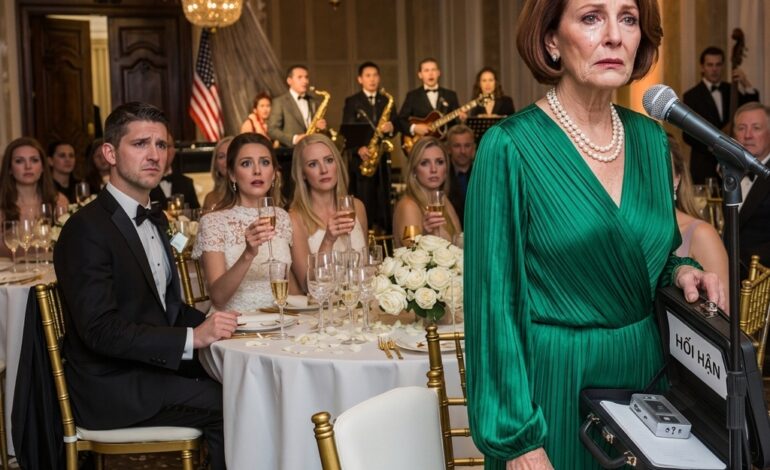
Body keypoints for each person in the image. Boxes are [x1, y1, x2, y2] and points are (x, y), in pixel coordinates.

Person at [464, 1, 725, 469]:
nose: (614, 36)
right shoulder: (509, 147)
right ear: (550, 39)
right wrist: (518, 442)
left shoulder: (650, 141)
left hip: (645, 383)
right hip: (555, 386)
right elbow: (493, 306)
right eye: (591, 17)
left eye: (628, 19)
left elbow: (647, 258)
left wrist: (682, 272)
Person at [53, 102, 238, 470]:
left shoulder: (155, 216)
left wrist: (224, 323)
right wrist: (193, 338)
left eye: (161, 144)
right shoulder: (86, 230)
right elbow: (100, 330)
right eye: (140, 144)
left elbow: (166, 309)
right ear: (110, 153)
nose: (154, 155)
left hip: (150, 370)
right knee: (232, 403)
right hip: (111, 388)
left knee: (246, 383)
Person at [193, 132, 293, 312]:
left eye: (265, 162)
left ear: (273, 173)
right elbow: (218, 298)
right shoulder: (213, 222)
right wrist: (248, 254)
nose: (257, 171)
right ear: (232, 174)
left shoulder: (283, 217)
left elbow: (290, 288)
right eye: (246, 163)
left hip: (279, 320)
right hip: (235, 323)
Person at [288, 134, 368, 292]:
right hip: (324, 306)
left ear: (337, 164)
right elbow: (307, 285)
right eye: (313, 164)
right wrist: (328, 240)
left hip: (359, 301)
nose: (324, 170)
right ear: (302, 173)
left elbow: (365, 269)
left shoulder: (357, 207)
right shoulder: (295, 218)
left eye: (329, 160)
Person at [683, 46, 760, 184]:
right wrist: (713, 145)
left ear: (723, 66)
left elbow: (753, 110)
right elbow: (687, 135)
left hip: (734, 164)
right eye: (710, 65)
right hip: (704, 165)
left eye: (718, 65)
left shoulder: (732, 90)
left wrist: (746, 83)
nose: (714, 69)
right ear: (702, 67)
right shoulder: (691, 96)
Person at [341, 61, 399, 233]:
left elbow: (396, 125)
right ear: (360, 79)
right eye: (368, 75)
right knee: (364, 201)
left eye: (375, 75)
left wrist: (391, 127)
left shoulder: (386, 100)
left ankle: (384, 234)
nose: (372, 79)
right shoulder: (352, 101)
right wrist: (358, 148)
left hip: (381, 160)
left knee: (383, 202)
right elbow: (346, 130)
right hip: (361, 161)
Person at [670, 135, 729, 301]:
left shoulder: (701, 234)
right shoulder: (621, 230)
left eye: (660, 169)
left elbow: (724, 312)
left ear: (677, 178)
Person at [392, 136, 460, 248]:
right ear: (414, 170)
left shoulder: (443, 200)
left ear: (446, 168)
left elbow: (459, 244)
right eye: (424, 163)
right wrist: (425, 233)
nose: (433, 169)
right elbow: (410, 252)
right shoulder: (408, 206)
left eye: (439, 162)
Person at [732, 102, 770, 275]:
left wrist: (741, 262)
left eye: (756, 128)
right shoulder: (731, 171)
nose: (747, 135)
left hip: (760, 280)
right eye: (741, 128)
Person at [397, 58, 461, 139]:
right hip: (421, 142)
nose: (430, 74)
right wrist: (414, 128)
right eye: (426, 70)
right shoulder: (412, 96)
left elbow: (456, 123)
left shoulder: (450, 95)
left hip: (445, 142)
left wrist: (461, 119)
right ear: (420, 75)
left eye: (433, 70)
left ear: (438, 73)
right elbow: (400, 120)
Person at [268, 65, 327, 148]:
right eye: (300, 77)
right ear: (289, 81)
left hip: (312, 148)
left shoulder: (313, 101)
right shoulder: (279, 102)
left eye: (306, 77)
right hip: (290, 151)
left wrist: (321, 127)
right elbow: (272, 130)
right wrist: (294, 139)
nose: (305, 81)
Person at [149, 131, 201, 209]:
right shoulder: (144, 183)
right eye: (161, 146)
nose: (166, 151)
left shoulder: (187, 183)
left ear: (174, 151)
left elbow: (195, 213)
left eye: (169, 146)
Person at [445, 124, 476, 228]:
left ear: (474, 148)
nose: (463, 151)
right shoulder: (441, 178)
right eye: (457, 146)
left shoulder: (485, 175)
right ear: (448, 149)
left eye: (467, 145)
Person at [202, 136, 234, 211]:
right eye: (221, 156)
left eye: (231, 155)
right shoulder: (210, 198)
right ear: (216, 164)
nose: (227, 160)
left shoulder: (252, 194)